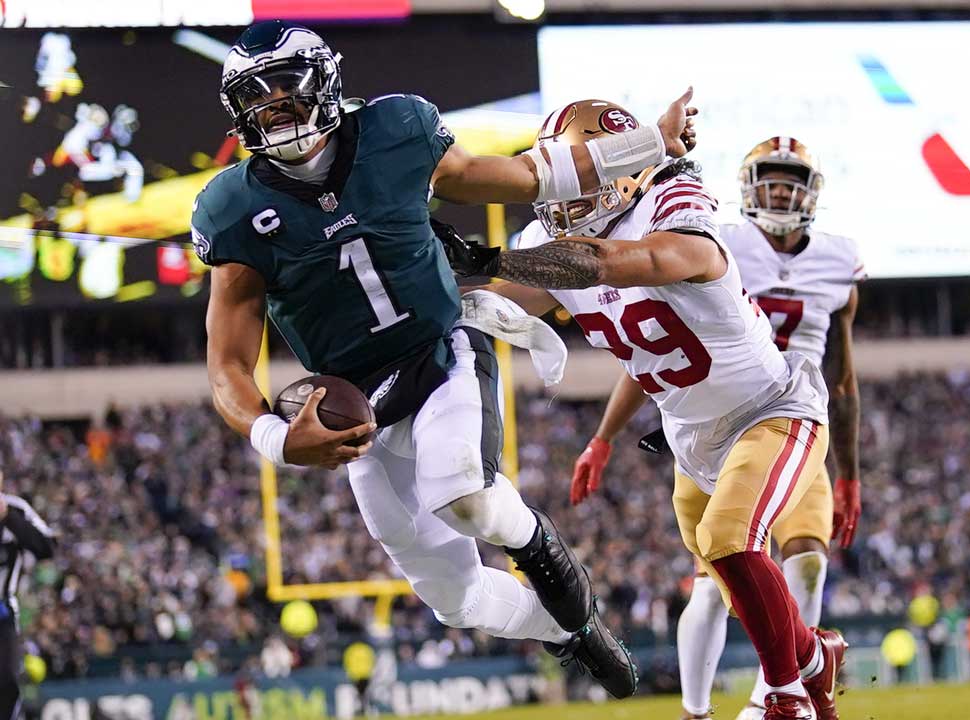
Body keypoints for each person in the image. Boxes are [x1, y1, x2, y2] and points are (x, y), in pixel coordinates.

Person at [197, 21, 695, 698]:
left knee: (465, 498)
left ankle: (557, 576)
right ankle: (571, 632)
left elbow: (529, 175)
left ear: (324, 83)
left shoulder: (396, 132)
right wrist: (278, 439)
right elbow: (228, 364)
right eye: (256, 97)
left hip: (439, 349)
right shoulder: (232, 208)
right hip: (359, 410)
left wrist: (649, 144)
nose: (274, 108)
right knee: (454, 602)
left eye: (286, 89)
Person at [444, 99, 848, 720]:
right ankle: (814, 660)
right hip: (690, 437)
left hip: (771, 409)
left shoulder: (673, 205)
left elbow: (616, 262)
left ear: (622, 173)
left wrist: (492, 257)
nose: (566, 189)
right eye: (560, 170)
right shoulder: (544, 244)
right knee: (734, 580)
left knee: (730, 541)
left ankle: (786, 698)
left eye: (583, 173)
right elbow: (489, 302)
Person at [568, 136, 865, 720]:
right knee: (715, 575)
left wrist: (851, 473)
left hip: (785, 413)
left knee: (801, 555)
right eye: (770, 180)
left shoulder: (838, 261)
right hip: (705, 421)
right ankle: (706, 705)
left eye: (791, 182)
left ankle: (774, 698)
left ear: (812, 193)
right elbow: (650, 351)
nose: (780, 192)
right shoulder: (709, 238)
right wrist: (603, 436)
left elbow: (844, 375)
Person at [0, 471, 56, 720]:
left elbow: (47, 546)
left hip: (2, 610)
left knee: (7, 681)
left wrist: (8, 517)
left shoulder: (17, 508)